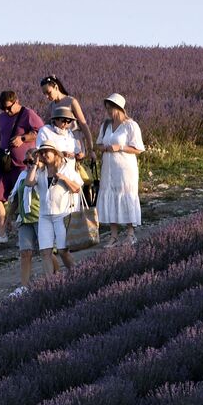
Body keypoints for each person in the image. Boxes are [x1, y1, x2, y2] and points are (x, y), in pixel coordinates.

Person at [0, 91, 44, 244]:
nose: (6, 111)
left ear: (16, 101)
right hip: (5, 164)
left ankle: (27, 235)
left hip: (23, 165)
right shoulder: (2, 117)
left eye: (9, 108)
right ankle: (1, 233)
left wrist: (23, 138)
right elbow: (1, 138)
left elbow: (41, 131)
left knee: (22, 198)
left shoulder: (28, 114)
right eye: (3, 109)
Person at [94, 93, 146, 246]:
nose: (109, 111)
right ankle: (114, 235)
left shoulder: (130, 125)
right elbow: (98, 144)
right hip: (108, 168)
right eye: (107, 108)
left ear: (120, 108)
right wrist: (103, 148)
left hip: (124, 169)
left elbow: (138, 149)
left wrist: (120, 147)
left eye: (112, 108)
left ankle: (130, 233)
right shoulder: (105, 126)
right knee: (110, 196)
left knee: (126, 196)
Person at [26, 142, 82, 273]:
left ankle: (78, 274)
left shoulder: (66, 169)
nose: (44, 155)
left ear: (55, 153)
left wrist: (63, 179)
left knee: (63, 250)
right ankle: (50, 284)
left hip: (62, 215)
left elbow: (77, 188)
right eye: (42, 152)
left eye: (47, 152)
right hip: (44, 216)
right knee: (45, 252)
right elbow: (29, 183)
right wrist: (34, 164)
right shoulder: (40, 171)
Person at [5, 151, 42, 296]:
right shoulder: (21, 175)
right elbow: (15, 197)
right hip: (25, 218)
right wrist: (9, 217)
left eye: (30, 161)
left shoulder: (43, 174)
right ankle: (24, 286)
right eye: (25, 162)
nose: (27, 164)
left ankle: (56, 275)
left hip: (40, 217)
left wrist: (35, 169)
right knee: (25, 252)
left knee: (46, 251)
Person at [38, 75, 94, 156]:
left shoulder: (71, 102)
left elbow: (83, 124)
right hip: (59, 146)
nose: (47, 96)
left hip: (74, 144)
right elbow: (46, 127)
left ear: (56, 88)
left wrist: (91, 149)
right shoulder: (51, 106)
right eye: (44, 94)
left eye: (49, 92)